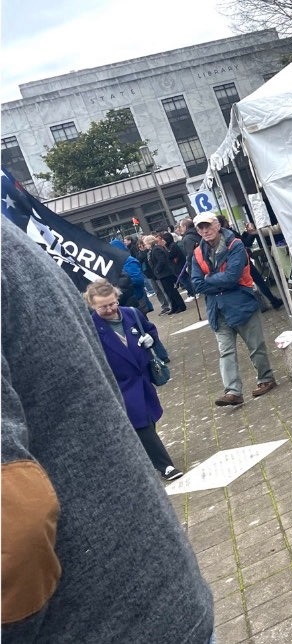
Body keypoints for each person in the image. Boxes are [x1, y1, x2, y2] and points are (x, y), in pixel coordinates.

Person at [1, 217, 213, 641]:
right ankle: (165, 463)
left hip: (88, 617)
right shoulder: (14, 244)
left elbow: (14, 523)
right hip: (156, 585)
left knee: (147, 427)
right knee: (145, 431)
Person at [82, 279, 182, 482]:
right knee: (141, 423)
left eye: (112, 303)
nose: (110, 309)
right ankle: (165, 466)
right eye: (103, 306)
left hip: (143, 377)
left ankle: (145, 458)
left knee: (148, 419)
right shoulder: (90, 328)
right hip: (120, 385)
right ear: (93, 305)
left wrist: (151, 339)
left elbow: (150, 329)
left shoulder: (131, 313)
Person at [189, 211, 278, 406]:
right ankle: (232, 391)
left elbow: (233, 276)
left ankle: (266, 378)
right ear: (197, 231)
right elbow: (196, 283)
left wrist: (209, 280)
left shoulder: (235, 244)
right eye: (201, 227)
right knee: (225, 351)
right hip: (217, 309)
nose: (205, 230)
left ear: (217, 225)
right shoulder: (197, 253)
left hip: (241, 303)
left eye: (208, 225)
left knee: (255, 346)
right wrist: (217, 282)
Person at [239, 222, 285, 310]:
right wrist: (250, 233)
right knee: (259, 282)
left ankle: (267, 303)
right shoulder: (230, 235)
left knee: (252, 283)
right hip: (245, 262)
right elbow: (245, 243)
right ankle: (272, 301)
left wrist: (247, 232)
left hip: (242, 263)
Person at [147, 233, 187, 315]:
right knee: (168, 291)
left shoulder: (156, 249)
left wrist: (157, 269)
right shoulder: (154, 249)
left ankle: (180, 306)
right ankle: (175, 306)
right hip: (163, 274)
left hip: (166, 273)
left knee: (172, 290)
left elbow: (162, 260)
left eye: (146, 243)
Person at [109, 237, 152, 314]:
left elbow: (138, 280)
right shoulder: (115, 263)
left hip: (137, 297)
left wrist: (121, 283)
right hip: (127, 299)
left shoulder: (129, 260)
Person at [176, 217, 202, 299]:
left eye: (180, 227)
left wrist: (190, 269)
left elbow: (190, 254)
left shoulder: (187, 238)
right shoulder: (197, 233)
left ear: (184, 226)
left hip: (197, 264)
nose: (180, 229)